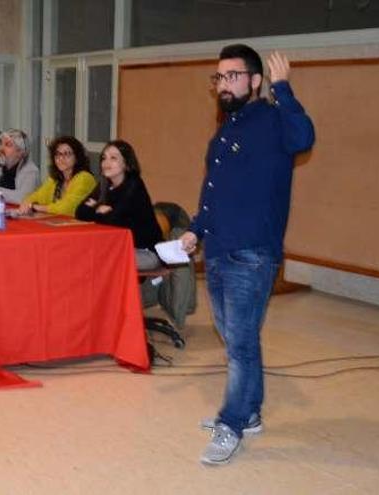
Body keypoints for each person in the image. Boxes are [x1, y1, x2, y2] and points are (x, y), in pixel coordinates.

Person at [179, 44, 315, 465]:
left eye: (232, 76)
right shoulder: (224, 131)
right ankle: (250, 412)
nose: (223, 84)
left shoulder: (274, 119)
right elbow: (213, 191)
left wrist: (284, 89)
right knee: (238, 338)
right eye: (218, 77)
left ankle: (232, 422)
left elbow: (304, 137)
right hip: (218, 249)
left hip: (252, 254)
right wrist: (195, 230)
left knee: (238, 343)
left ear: (255, 81)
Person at [75, 140, 163, 270]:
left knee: (96, 260)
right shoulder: (104, 185)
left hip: (144, 251)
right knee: (81, 255)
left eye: (113, 158)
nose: (106, 163)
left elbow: (113, 221)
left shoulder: (134, 185)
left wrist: (97, 211)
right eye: (104, 158)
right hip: (117, 247)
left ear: (126, 164)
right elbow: (80, 212)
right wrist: (99, 211)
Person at [16, 136, 96, 217]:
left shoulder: (85, 178)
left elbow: (66, 208)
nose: (61, 158)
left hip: (84, 228)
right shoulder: (55, 179)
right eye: (57, 154)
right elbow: (37, 196)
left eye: (67, 154)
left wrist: (33, 207)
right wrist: (26, 203)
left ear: (77, 157)